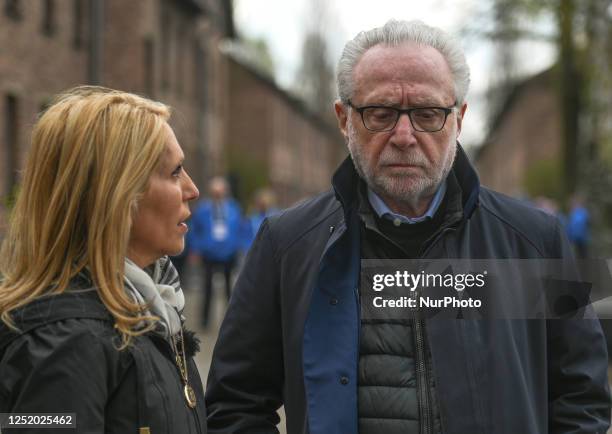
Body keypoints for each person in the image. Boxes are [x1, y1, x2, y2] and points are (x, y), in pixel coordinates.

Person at [205, 20, 610, 434]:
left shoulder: (535, 241)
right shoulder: (288, 246)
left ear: (459, 119)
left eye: (427, 114)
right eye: (380, 114)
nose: (404, 135)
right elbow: (236, 403)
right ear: (344, 120)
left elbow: (582, 394)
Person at [0, 87, 207, 433]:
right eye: (174, 172)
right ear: (118, 192)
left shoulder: (152, 311)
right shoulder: (63, 344)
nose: (192, 189)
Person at [188, 177, 242, 328]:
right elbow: (195, 230)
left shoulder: (233, 208)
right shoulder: (203, 209)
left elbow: (239, 229)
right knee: (207, 289)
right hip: (209, 254)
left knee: (228, 290)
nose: (218, 194)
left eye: (220, 191)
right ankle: (204, 322)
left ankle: (232, 322)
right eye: (215, 192)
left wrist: (237, 247)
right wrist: (195, 249)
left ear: (225, 192)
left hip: (228, 254)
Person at [567, 194, 590, 258]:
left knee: (583, 255)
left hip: (582, 239)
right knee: (577, 255)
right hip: (574, 239)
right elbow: (570, 226)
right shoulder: (573, 213)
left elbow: (583, 224)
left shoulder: (582, 212)